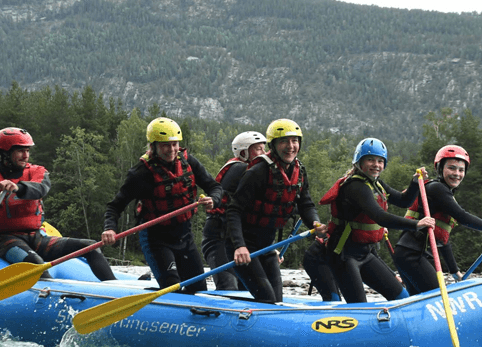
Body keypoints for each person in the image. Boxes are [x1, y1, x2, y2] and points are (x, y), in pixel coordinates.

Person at [0, 127, 115, 281]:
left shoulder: (37, 171)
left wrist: (18, 187)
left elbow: (40, 188)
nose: (25, 156)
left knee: (91, 246)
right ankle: (50, 297)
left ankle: (117, 290)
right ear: (5, 153)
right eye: (20, 151)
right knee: (36, 264)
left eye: (27, 150)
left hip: (36, 236)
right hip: (3, 240)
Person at [102, 117, 222, 292]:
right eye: (166, 145)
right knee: (172, 287)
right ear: (154, 146)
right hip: (156, 238)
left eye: (175, 144)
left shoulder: (188, 162)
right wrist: (110, 228)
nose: (172, 150)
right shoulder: (141, 173)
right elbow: (115, 206)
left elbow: (215, 187)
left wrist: (213, 200)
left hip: (184, 236)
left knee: (198, 288)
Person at [319, 138, 435, 303]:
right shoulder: (355, 187)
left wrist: (415, 183)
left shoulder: (376, 183)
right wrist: (416, 224)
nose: (376, 164)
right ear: (359, 162)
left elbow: (403, 201)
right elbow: (380, 216)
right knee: (359, 307)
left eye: (380, 161)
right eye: (370, 159)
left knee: (402, 297)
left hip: (365, 253)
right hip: (344, 255)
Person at [226, 118, 328, 303]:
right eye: (284, 141)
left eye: (294, 141)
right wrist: (239, 246)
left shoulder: (299, 171)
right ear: (273, 145)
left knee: (277, 300)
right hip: (243, 246)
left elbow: (306, 204)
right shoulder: (257, 172)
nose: (291, 146)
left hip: (267, 247)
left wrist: (315, 222)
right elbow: (233, 211)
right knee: (267, 299)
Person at [392, 144, 482, 293]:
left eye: (461, 170)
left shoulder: (444, 194)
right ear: (440, 169)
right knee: (437, 299)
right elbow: (463, 217)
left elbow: (442, 239)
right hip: (412, 255)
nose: (457, 173)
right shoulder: (437, 189)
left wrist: (454, 270)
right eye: (452, 168)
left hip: (410, 254)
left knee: (420, 303)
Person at [200, 131, 266, 291]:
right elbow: (226, 200)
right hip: (218, 238)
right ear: (243, 152)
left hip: (239, 239)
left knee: (249, 288)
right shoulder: (239, 168)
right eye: (258, 149)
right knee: (228, 286)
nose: (264, 153)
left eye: (264, 148)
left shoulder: (255, 172)